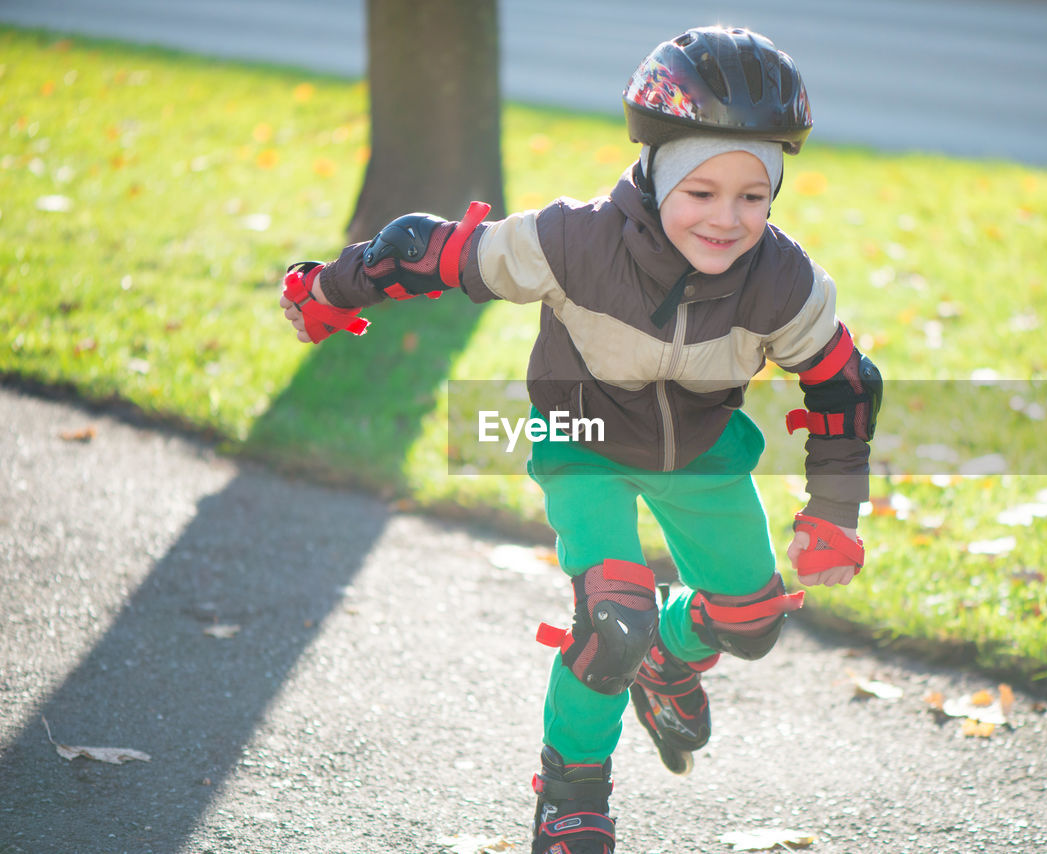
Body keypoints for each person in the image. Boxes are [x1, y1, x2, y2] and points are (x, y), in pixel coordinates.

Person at [280, 25, 879, 854]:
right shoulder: (573, 243)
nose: (727, 219)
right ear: (658, 169)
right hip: (585, 438)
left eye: (754, 196)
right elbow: (427, 251)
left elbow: (846, 383)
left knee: (750, 622)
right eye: (701, 191)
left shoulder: (784, 282)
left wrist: (834, 512)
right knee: (612, 623)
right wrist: (327, 290)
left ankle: (670, 660)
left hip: (703, 451)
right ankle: (571, 798)